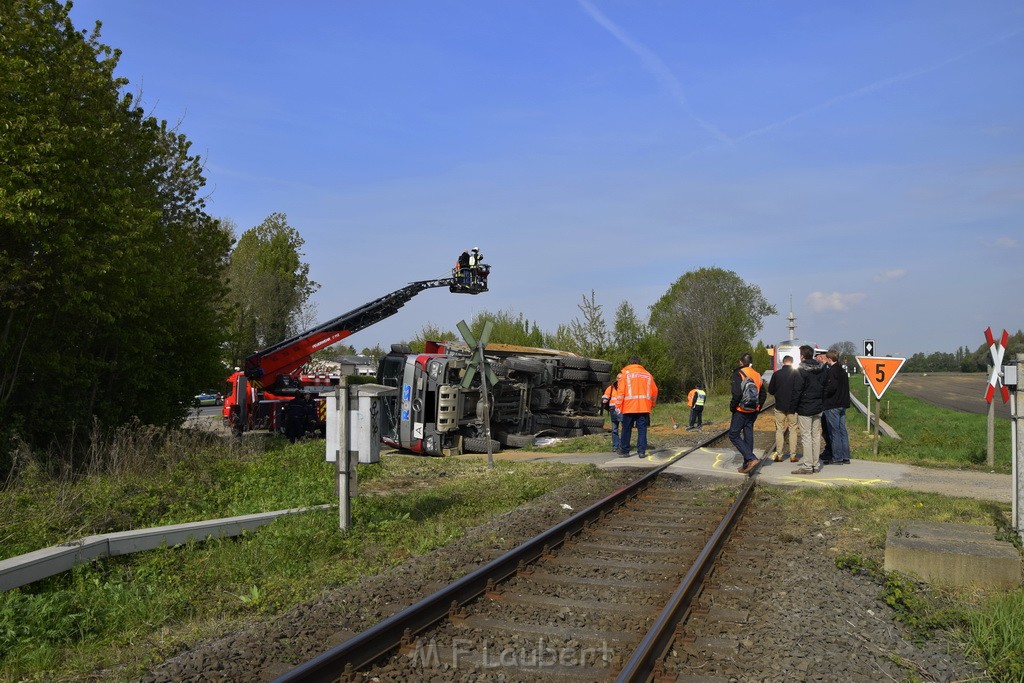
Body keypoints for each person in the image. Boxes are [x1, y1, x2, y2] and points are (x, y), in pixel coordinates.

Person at [792, 345, 827, 474]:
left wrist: (793, 407)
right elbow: (825, 386)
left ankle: (807, 465)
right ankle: (816, 464)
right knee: (816, 435)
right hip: (818, 406)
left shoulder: (801, 370)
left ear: (802, 356)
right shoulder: (822, 369)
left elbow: (797, 390)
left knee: (806, 436)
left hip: (805, 407)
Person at [730, 353, 766, 474]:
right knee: (748, 434)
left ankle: (751, 458)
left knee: (733, 434)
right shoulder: (757, 374)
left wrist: (732, 407)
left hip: (741, 409)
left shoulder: (738, 373)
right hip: (753, 410)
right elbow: (763, 394)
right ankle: (747, 464)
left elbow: (737, 394)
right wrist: (758, 407)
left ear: (741, 362)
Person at [617, 357, 658, 458]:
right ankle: (641, 451)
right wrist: (652, 404)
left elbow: (621, 391)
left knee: (626, 429)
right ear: (639, 364)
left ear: (630, 363)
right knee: (642, 429)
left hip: (629, 406)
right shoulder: (648, 375)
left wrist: (618, 405)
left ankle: (625, 451)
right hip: (643, 407)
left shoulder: (626, 374)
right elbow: (655, 391)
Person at [821, 350, 852, 464]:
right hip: (842, 404)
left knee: (834, 432)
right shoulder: (842, 371)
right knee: (842, 430)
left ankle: (837, 457)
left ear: (829, 359)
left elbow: (831, 388)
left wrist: (823, 395)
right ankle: (845, 456)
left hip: (833, 404)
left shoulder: (832, 371)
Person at [767, 355, 799, 462]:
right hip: (793, 407)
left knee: (779, 430)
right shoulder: (796, 374)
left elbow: (771, 390)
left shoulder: (776, 374)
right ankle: (793, 455)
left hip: (779, 406)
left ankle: (779, 455)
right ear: (792, 362)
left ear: (783, 362)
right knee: (793, 430)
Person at [602, 375, 623, 453]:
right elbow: (606, 395)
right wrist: (605, 399)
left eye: (621, 378)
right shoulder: (611, 387)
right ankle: (615, 446)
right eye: (618, 378)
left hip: (622, 409)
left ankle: (622, 445)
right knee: (614, 429)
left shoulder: (626, 387)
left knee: (624, 428)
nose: (619, 380)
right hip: (613, 409)